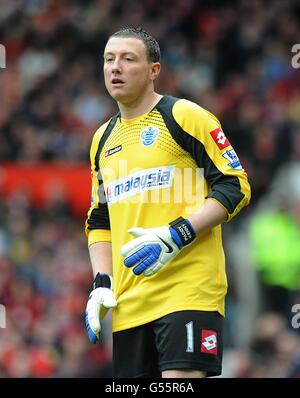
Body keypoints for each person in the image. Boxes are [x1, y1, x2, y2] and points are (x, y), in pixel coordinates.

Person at [84, 27, 251, 378]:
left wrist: (177, 235)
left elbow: (235, 186)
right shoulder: (101, 140)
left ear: (153, 70)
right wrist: (102, 283)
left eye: (128, 59)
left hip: (187, 292)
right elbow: (100, 218)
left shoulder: (185, 117)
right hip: (129, 305)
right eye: (109, 59)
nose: (116, 68)